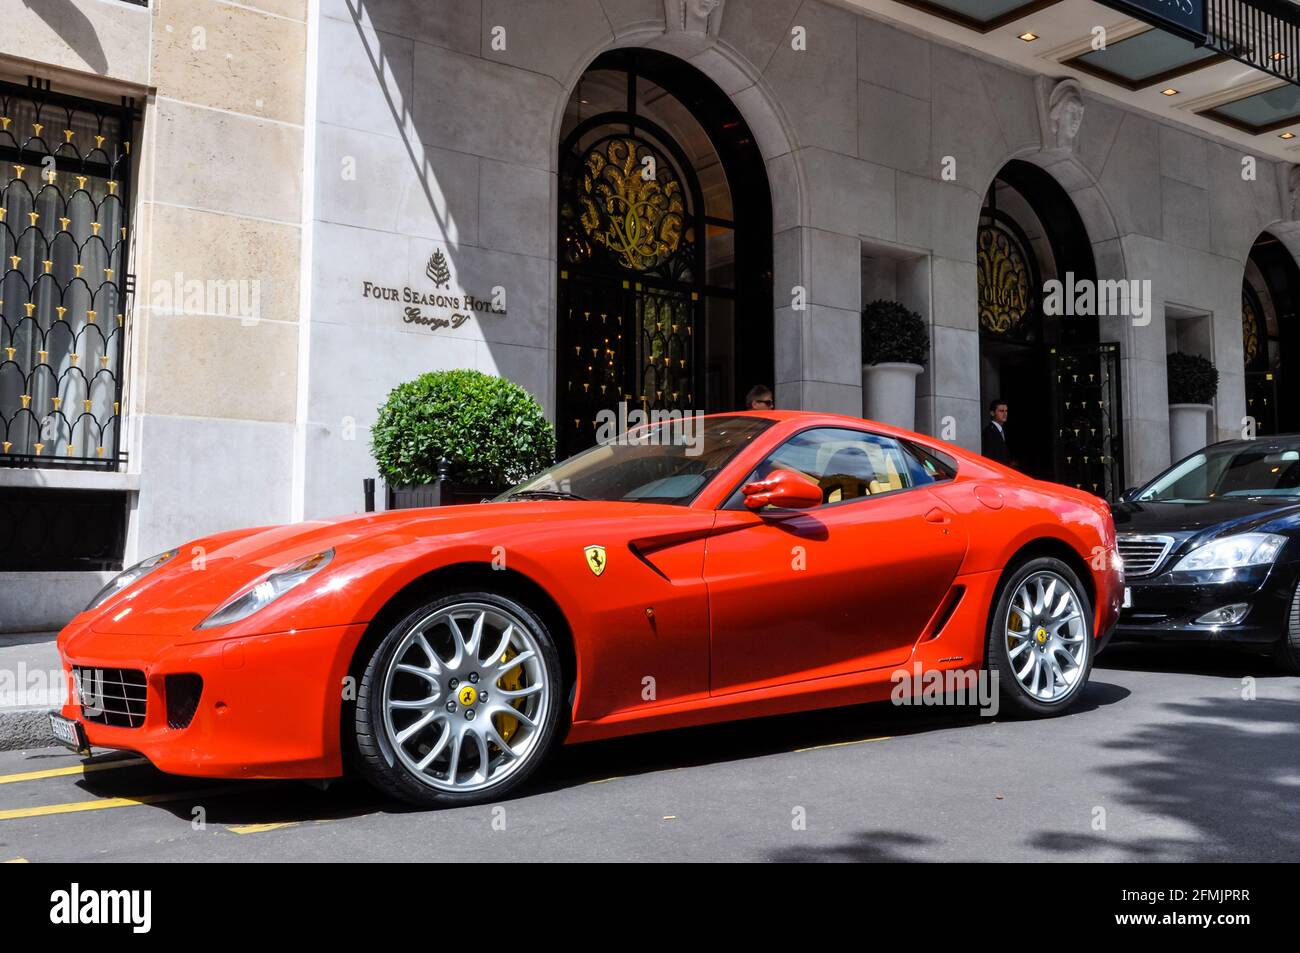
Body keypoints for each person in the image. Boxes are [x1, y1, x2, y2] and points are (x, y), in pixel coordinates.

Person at [981, 398, 1013, 466]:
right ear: (992, 413)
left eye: (1006, 411)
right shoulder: (989, 431)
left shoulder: (1002, 431)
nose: (1005, 414)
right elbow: (988, 457)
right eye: (1001, 411)